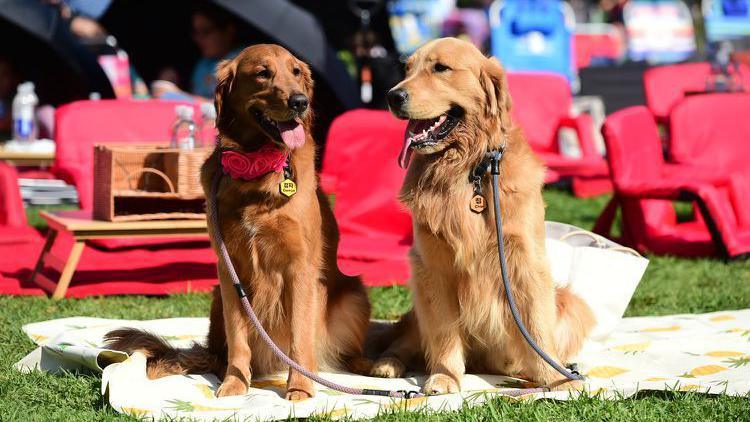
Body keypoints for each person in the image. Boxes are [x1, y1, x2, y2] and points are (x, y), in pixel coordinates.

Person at [153, 3, 242, 102]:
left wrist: (178, 95)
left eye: (205, 31)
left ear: (229, 31)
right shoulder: (203, 63)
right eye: (196, 32)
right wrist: (174, 84)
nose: (198, 39)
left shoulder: (244, 61)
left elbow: (229, 108)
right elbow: (196, 95)